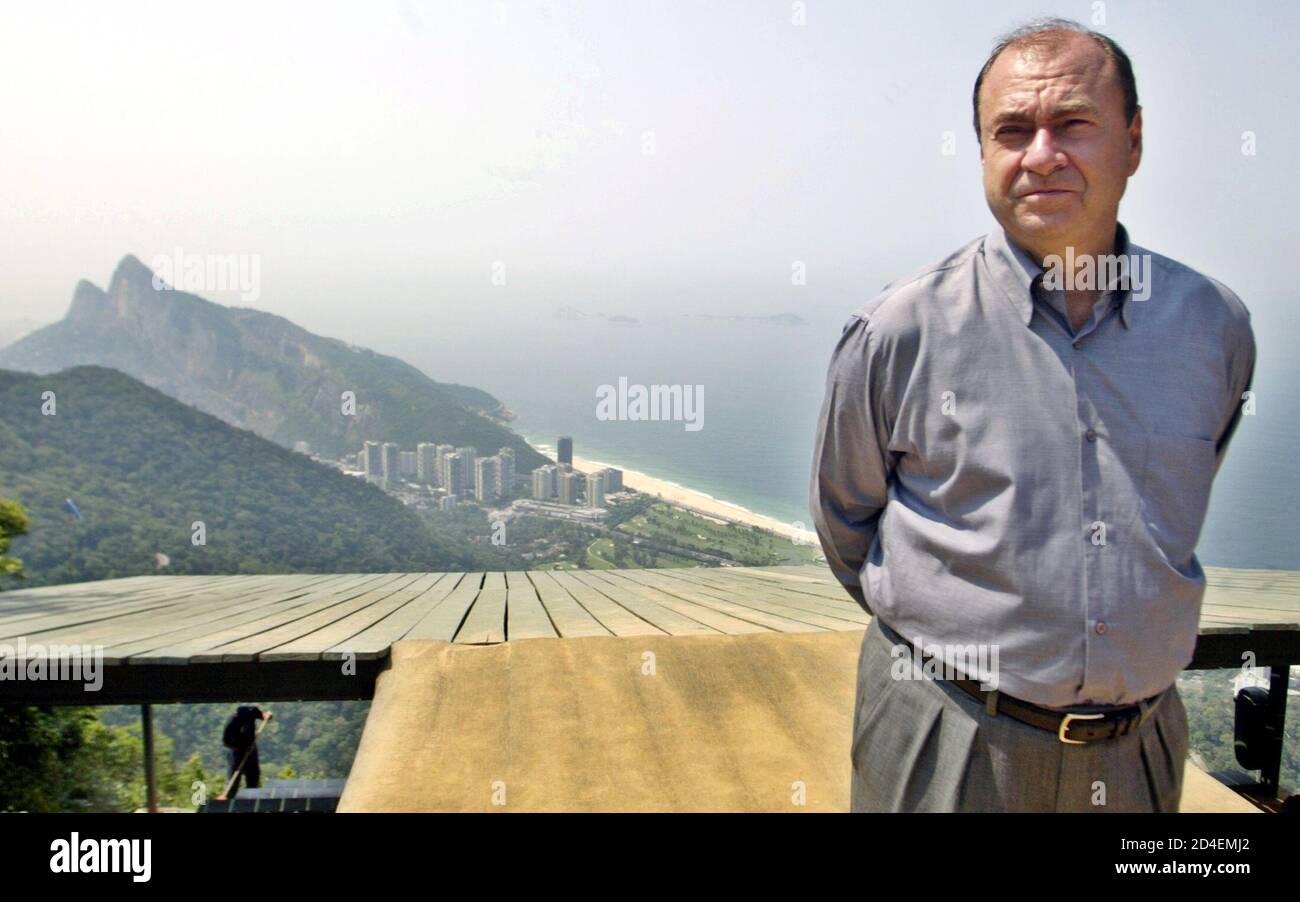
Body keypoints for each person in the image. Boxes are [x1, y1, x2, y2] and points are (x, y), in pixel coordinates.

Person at [809, 18, 1255, 812]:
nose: (1041, 154)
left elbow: (1170, 497)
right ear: (982, 152)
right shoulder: (900, 330)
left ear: (1134, 141)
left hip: (1140, 751)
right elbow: (847, 523)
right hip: (944, 738)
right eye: (1011, 131)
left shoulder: (1211, 327)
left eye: (1074, 124)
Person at [221, 704, 269, 796]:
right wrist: (241, 748)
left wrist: (267, 716)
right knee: (234, 780)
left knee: (253, 776)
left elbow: (263, 716)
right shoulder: (233, 721)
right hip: (236, 752)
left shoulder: (252, 712)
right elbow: (226, 742)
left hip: (251, 750)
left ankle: (251, 800)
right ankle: (230, 798)